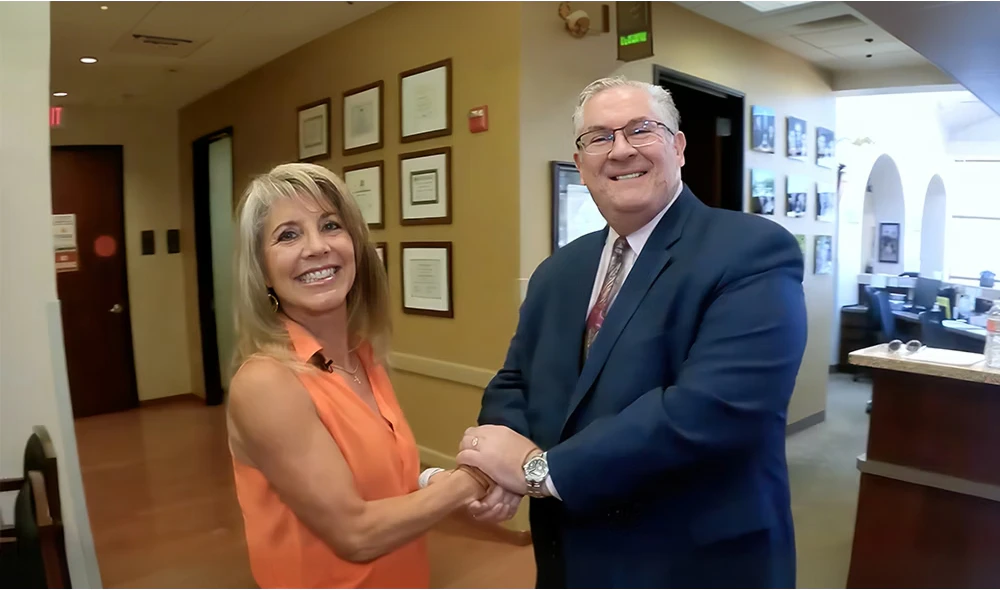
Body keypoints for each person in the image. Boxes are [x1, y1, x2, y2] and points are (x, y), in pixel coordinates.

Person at [456, 77, 807, 588]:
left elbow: (712, 411)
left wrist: (537, 470)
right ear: (581, 164)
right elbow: (515, 381)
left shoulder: (750, 251)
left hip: (690, 561)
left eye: (641, 130)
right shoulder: (560, 271)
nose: (620, 150)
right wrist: (501, 453)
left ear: (678, 147)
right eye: (598, 138)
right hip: (569, 553)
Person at [225, 163, 492, 588]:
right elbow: (356, 533)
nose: (317, 247)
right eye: (288, 235)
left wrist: (432, 479)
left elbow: (378, 472)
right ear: (262, 270)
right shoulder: (266, 382)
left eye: (330, 225)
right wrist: (476, 478)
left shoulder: (360, 356)